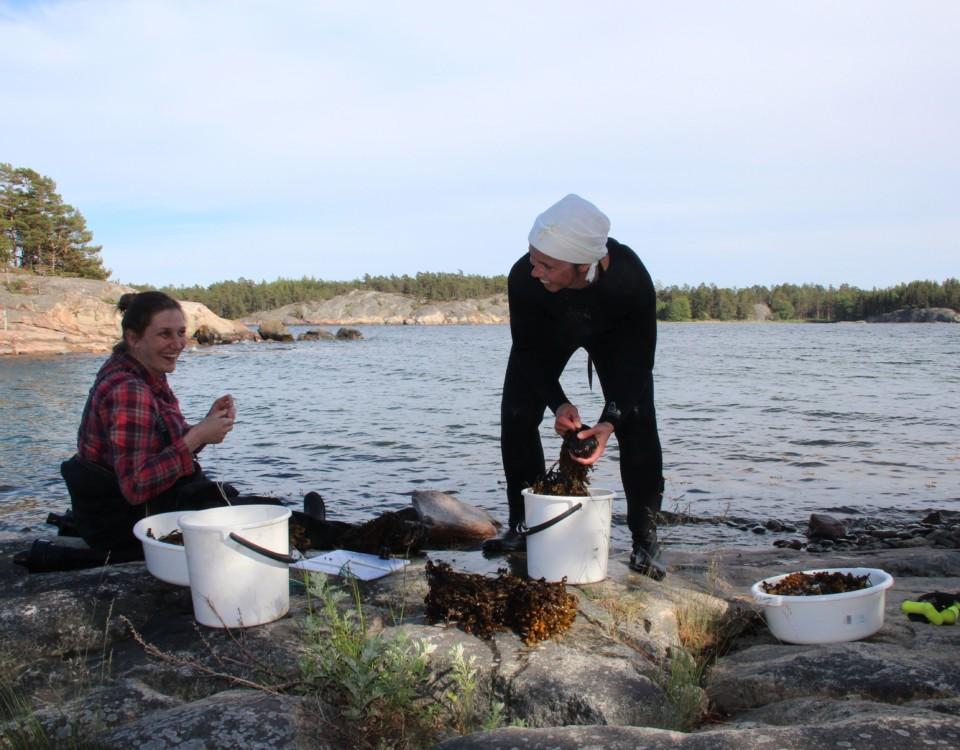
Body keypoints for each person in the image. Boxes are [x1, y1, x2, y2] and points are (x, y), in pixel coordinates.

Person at [486, 194, 666, 579]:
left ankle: (645, 541)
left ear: (584, 264)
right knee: (517, 415)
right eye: (533, 257)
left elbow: (639, 361)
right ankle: (523, 526)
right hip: (549, 334)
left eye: (547, 265)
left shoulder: (631, 279)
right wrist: (558, 403)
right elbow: (527, 351)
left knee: (637, 419)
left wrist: (608, 423)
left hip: (614, 336)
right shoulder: (525, 277)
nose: (536, 270)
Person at [60, 291, 277, 562]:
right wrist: (197, 436)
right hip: (121, 525)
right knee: (262, 515)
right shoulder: (129, 390)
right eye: (165, 334)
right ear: (134, 338)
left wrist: (205, 429)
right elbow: (135, 486)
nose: (177, 344)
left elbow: (159, 444)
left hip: (122, 513)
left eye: (181, 332)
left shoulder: (144, 372)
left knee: (248, 507)